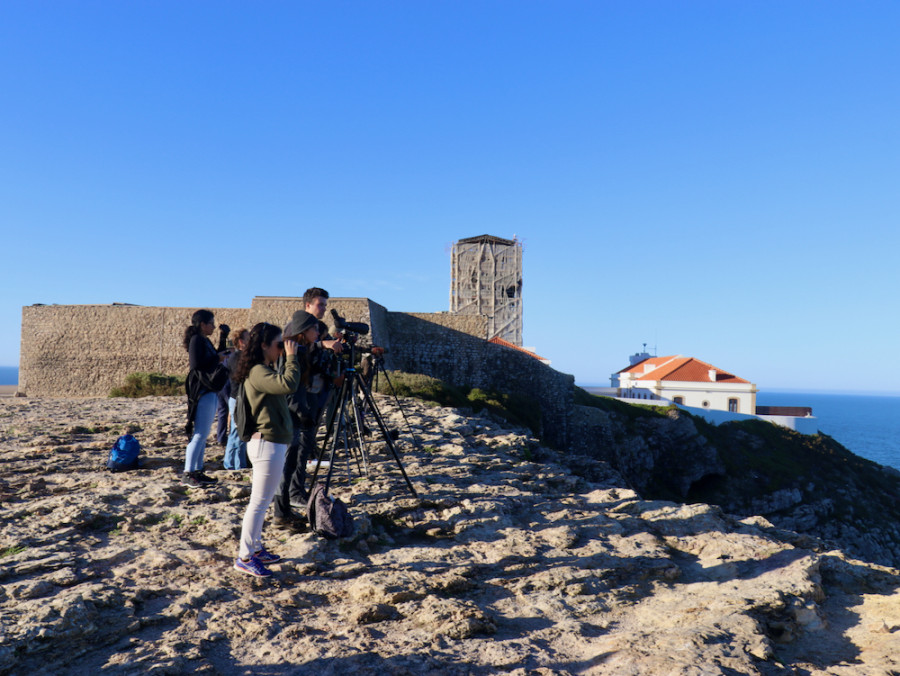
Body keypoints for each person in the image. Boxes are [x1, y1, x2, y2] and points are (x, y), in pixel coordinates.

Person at [232, 322, 301, 578]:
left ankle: (257, 549)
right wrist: (292, 357)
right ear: (263, 345)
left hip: (271, 443)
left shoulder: (263, 369)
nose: (281, 349)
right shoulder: (258, 371)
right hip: (266, 445)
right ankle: (245, 556)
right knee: (259, 503)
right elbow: (289, 384)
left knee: (263, 500)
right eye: (277, 344)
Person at [272, 310, 321, 529]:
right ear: (304, 331)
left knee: (288, 465)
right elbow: (289, 389)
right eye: (314, 328)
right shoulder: (294, 354)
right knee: (286, 466)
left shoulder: (301, 351)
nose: (318, 332)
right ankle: (281, 514)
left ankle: (283, 511)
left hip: (292, 415)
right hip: (289, 417)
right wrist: (304, 414)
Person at [182, 309, 229, 488]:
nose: (214, 326)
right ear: (203, 324)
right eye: (211, 323)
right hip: (201, 391)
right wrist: (217, 358)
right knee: (200, 433)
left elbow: (213, 358)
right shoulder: (196, 340)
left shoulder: (204, 340)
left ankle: (197, 471)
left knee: (203, 433)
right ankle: (188, 472)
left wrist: (223, 338)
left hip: (209, 390)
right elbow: (196, 365)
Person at [223, 327, 250, 470]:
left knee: (235, 431)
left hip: (235, 397)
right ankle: (236, 464)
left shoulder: (234, 357)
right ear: (241, 341)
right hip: (238, 397)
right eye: (248, 338)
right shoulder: (239, 357)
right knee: (239, 431)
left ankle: (231, 463)